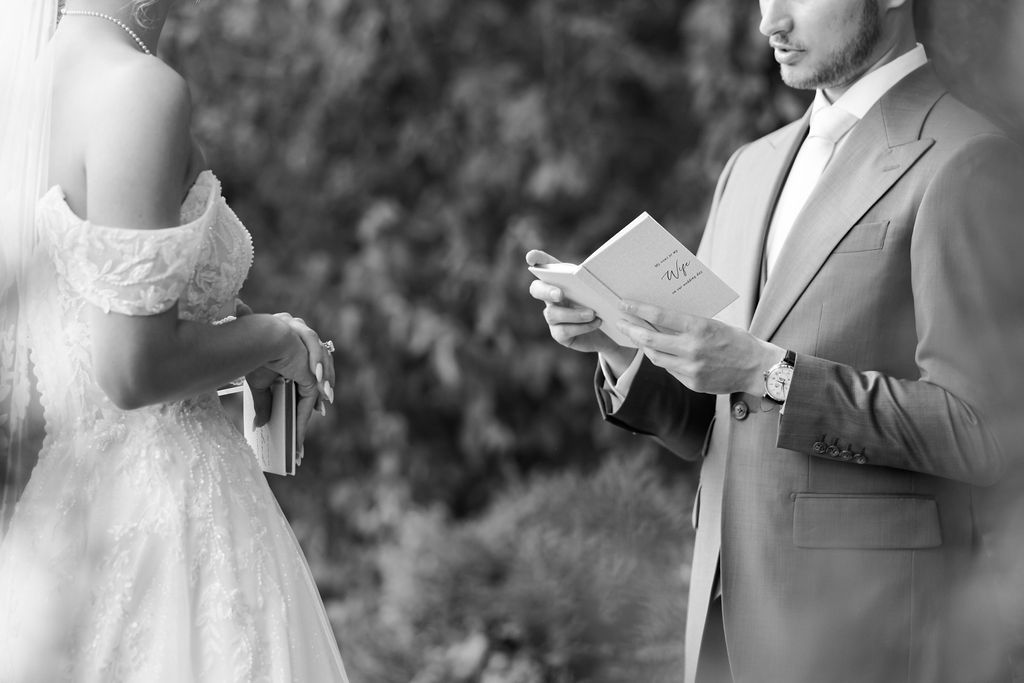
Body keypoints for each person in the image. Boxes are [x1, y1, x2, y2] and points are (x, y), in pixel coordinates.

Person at [529, 0, 1024, 681]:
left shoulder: (970, 158)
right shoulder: (749, 168)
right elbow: (720, 418)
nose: (770, 22)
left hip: (868, 633)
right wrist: (618, 343)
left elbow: (983, 432)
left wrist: (773, 373)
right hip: (723, 626)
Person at [0, 0, 349, 680]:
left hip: (69, 518)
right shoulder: (139, 90)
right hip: (171, 523)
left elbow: (98, 301)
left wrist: (231, 328)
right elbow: (132, 370)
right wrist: (273, 336)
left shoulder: (34, 82)